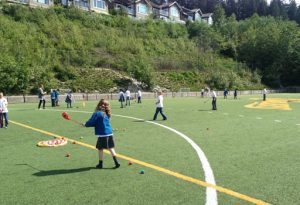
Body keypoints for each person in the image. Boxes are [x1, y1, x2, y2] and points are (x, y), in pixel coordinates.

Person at [84, 99, 120, 169]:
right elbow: (96, 123)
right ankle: (116, 162)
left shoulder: (97, 113)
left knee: (100, 149)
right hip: (109, 133)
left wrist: (86, 124)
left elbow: (91, 122)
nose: (103, 105)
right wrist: (86, 124)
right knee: (110, 148)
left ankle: (100, 164)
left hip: (103, 134)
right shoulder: (105, 113)